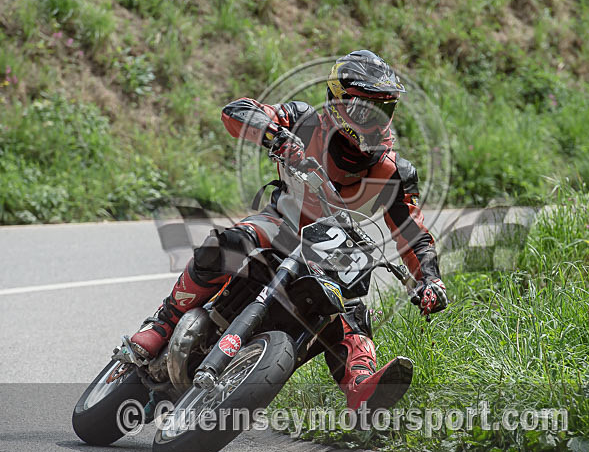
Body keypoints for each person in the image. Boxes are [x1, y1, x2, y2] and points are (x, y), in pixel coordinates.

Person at [128, 50, 447, 411]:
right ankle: (163, 322)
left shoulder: (394, 171)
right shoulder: (303, 120)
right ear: (337, 101)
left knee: (349, 307)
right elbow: (236, 111)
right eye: (364, 109)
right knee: (228, 245)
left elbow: (414, 234)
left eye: (383, 109)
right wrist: (274, 135)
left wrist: (430, 279)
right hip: (281, 221)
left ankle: (361, 385)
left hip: (329, 246)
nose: (374, 120)